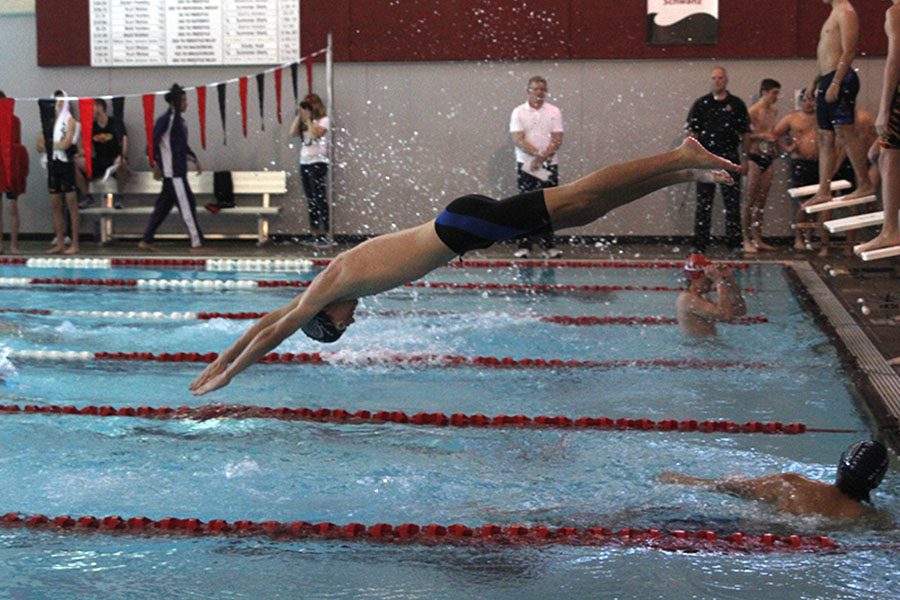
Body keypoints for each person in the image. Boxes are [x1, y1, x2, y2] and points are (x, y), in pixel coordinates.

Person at [190, 137, 738, 395]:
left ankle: (677, 158)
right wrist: (220, 358)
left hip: (462, 229)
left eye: (339, 325)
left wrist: (227, 374)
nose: (350, 322)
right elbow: (266, 321)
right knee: (579, 210)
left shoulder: (331, 286)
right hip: (462, 227)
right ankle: (680, 171)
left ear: (325, 315)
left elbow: (276, 332)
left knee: (574, 200)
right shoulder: (328, 284)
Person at [659, 440, 890, 520]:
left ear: (840, 469)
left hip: (744, 528)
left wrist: (685, 480)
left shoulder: (792, 484)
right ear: (876, 481)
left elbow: (732, 487)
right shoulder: (871, 518)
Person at [805, 0, 876, 206]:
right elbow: (824, 52)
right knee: (825, 136)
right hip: (827, 78)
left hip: (841, 78)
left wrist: (836, 82)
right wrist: (814, 81)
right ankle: (824, 189)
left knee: (845, 132)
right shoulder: (833, 13)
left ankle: (864, 183)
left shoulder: (846, 12)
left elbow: (849, 51)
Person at [686, 66, 751, 253]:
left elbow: (745, 133)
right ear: (711, 80)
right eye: (714, 78)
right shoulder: (701, 104)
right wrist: (691, 158)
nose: (717, 81)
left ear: (726, 80)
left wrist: (745, 159)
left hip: (729, 157)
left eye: (720, 78)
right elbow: (692, 134)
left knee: (732, 202)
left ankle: (734, 242)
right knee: (703, 202)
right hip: (706, 159)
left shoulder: (736, 104)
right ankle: (700, 243)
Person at [856, 0, 900, 255]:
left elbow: (894, 60)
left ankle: (891, 230)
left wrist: (884, 109)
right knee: (876, 153)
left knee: (889, 156)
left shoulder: (895, 11)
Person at [139, 84, 204, 253]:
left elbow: (181, 146)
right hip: (173, 173)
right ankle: (196, 244)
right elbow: (151, 143)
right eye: (183, 100)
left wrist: (194, 159)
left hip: (176, 172)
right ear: (175, 102)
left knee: (162, 208)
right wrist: (155, 163)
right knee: (187, 206)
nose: (186, 104)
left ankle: (146, 240)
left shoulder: (180, 122)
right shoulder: (166, 120)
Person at [509, 75, 564, 259]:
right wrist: (536, 157)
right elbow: (518, 139)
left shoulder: (554, 111)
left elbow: (557, 140)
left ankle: (549, 246)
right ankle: (525, 245)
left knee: (549, 205)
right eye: (536, 89)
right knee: (525, 205)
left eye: (543, 89)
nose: (539, 92)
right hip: (526, 165)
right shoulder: (518, 112)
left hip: (548, 165)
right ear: (528, 91)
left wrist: (541, 159)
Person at [773, 90, 820, 250]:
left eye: (812, 100)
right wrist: (787, 148)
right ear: (800, 102)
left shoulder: (821, 117)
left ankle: (809, 237)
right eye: (805, 100)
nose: (809, 103)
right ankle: (798, 238)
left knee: (816, 203)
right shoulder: (792, 118)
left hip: (819, 164)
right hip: (800, 163)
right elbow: (774, 135)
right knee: (803, 204)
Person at [36, 90, 79, 255]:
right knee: (55, 205)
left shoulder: (70, 121)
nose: (59, 103)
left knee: (71, 205)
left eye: (61, 100)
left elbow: (67, 143)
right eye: (56, 100)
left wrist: (50, 144)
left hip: (66, 165)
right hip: (52, 165)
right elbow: (39, 146)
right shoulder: (49, 122)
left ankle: (74, 243)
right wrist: (54, 144)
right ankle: (60, 242)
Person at [743, 78, 782, 253]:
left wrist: (775, 145)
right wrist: (763, 136)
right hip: (754, 158)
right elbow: (745, 136)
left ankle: (758, 237)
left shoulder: (773, 111)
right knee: (750, 201)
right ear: (764, 92)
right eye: (774, 93)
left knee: (761, 202)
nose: (776, 97)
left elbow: (772, 134)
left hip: (768, 157)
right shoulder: (753, 111)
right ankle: (746, 238)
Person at [290, 93, 331, 246]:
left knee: (320, 197)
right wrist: (299, 115)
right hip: (305, 162)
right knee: (310, 199)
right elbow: (292, 133)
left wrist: (308, 118)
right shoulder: (305, 121)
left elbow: (315, 135)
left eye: (311, 105)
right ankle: (314, 233)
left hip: (318, 162)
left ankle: (326, 233)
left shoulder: (323, 121)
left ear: (318, 105)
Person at [75, 98, 129, 209]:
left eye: (92, 107)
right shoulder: (92, 126)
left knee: (122, 163)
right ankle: (87, 197)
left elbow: (124, 140)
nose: (90, 110)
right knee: (74, 164)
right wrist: (78, 153)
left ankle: (119, 197)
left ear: (100, 107)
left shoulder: (115, 122)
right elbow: (86, 147)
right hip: (99, 160)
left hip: (114, 160)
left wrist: (122, 156)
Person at [675, 253, 747, 337]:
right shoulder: (687, 299)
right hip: (698, 348)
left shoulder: (702, 298)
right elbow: (725, 315)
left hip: (707, 346)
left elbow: (740, 310)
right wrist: (718, 280)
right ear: (697, 277)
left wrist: (730, 280)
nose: (711, 281)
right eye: (708, 277)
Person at [0, 90, 27, 254]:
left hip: (10, 168)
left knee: (12, 207)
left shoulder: (15, 120)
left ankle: (14, 244)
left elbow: (17, 147)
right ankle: (1, 244)